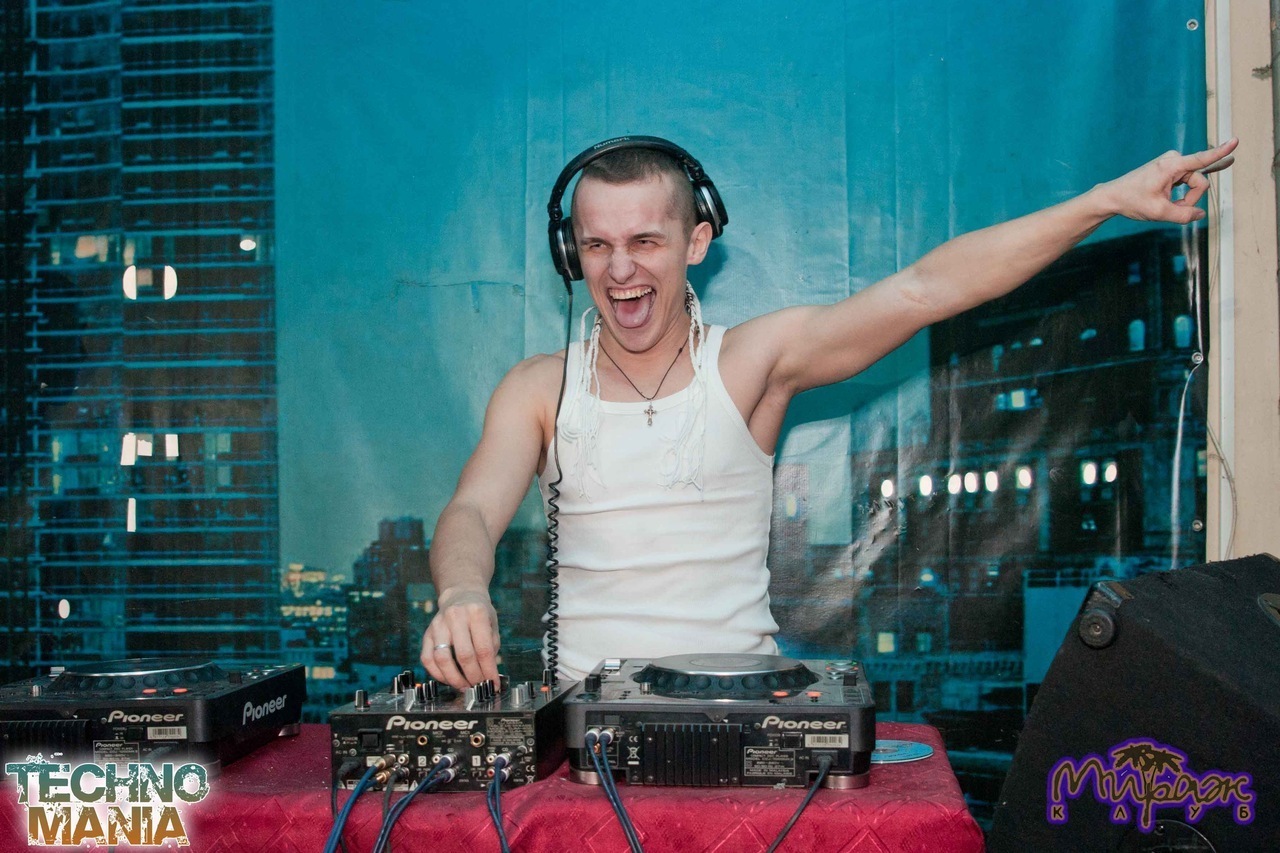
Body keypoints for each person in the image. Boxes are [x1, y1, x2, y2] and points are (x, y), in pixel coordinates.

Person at [420, 136, 1238, 690]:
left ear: (696, 242)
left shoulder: (750, 363)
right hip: (583, 732)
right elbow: (471, 511)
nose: (620, 269)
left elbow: (924, 289)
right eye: (597, 245)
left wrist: (1101, 201)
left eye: (645, 241)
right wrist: (461, 590)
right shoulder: (539, 387)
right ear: (572, 254)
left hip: (735, 714)